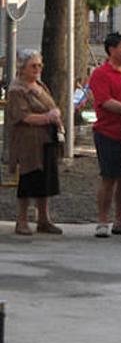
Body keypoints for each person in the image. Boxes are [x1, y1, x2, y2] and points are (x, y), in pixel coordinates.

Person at [7, 50, 64, 236]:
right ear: (22, 67)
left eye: (40, 65)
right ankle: (21, 220)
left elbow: (50, 105)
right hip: (29, 143)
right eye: (33, 66)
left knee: (45, 180)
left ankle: (43, 219)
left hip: (46, 140)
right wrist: (47, 117)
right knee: (28, 179)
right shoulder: (17, 90)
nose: (37, 69)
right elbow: (22, 116)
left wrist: (55, 116)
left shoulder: (40, 85)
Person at [89, 32, 121, 238]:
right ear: (111, 49)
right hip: (108, 133)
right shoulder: (101, 74)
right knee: (109, 177)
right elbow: (106, 101)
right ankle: (102, 220)